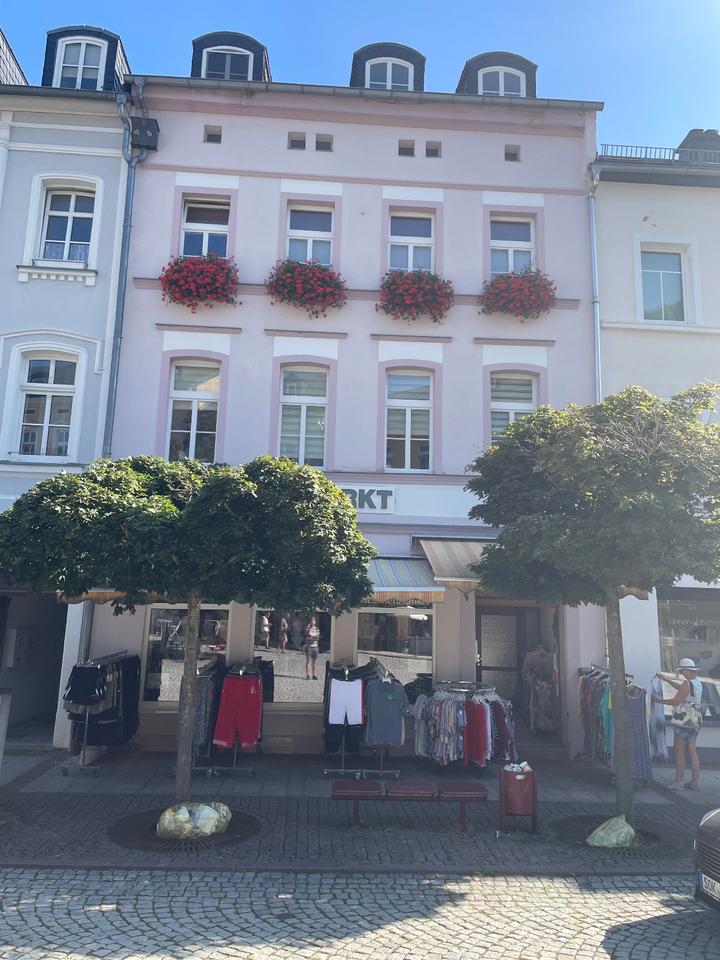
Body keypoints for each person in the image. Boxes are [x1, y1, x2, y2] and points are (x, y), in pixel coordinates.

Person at [653, 658, 703, 791]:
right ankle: (695, 782)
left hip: (684, 722)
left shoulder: (687, 683)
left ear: (687, 670)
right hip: (695, 720)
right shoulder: (697, 683)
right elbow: (683, 689)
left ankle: (679, 782)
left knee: (679, 750)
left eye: (682, 671)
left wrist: (658, 701)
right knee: (692, 749)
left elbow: (676, 701)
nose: (681, 673)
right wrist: (667, 680)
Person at [304, 615, 321, 680]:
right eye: (311, 620)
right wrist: (308, 629)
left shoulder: (317, 629)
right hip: (309, 647)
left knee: (314, 662)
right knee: (308, 661)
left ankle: (313, 674)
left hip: (315, 647)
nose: (312, 621)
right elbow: (307, 636)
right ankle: (307, 674)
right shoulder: (307, 628)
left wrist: (312, 637)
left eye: (313, 620)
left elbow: (317, 637)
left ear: (315, 621)